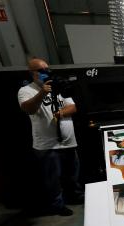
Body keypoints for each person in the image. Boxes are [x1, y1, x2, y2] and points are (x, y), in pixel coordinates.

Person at [18, 57, 83, 216]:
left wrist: (59, 113)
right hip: (47, 145)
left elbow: (73, 107)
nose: (45, 73)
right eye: (40, 71)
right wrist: (42, 92)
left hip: (68, 141)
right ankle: (57, 205)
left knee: (72, 173)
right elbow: (29, 109)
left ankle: (75, 196)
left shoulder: (57, 86)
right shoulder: (26, 90)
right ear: (32, 73)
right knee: (53, 179)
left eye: (47, 69)